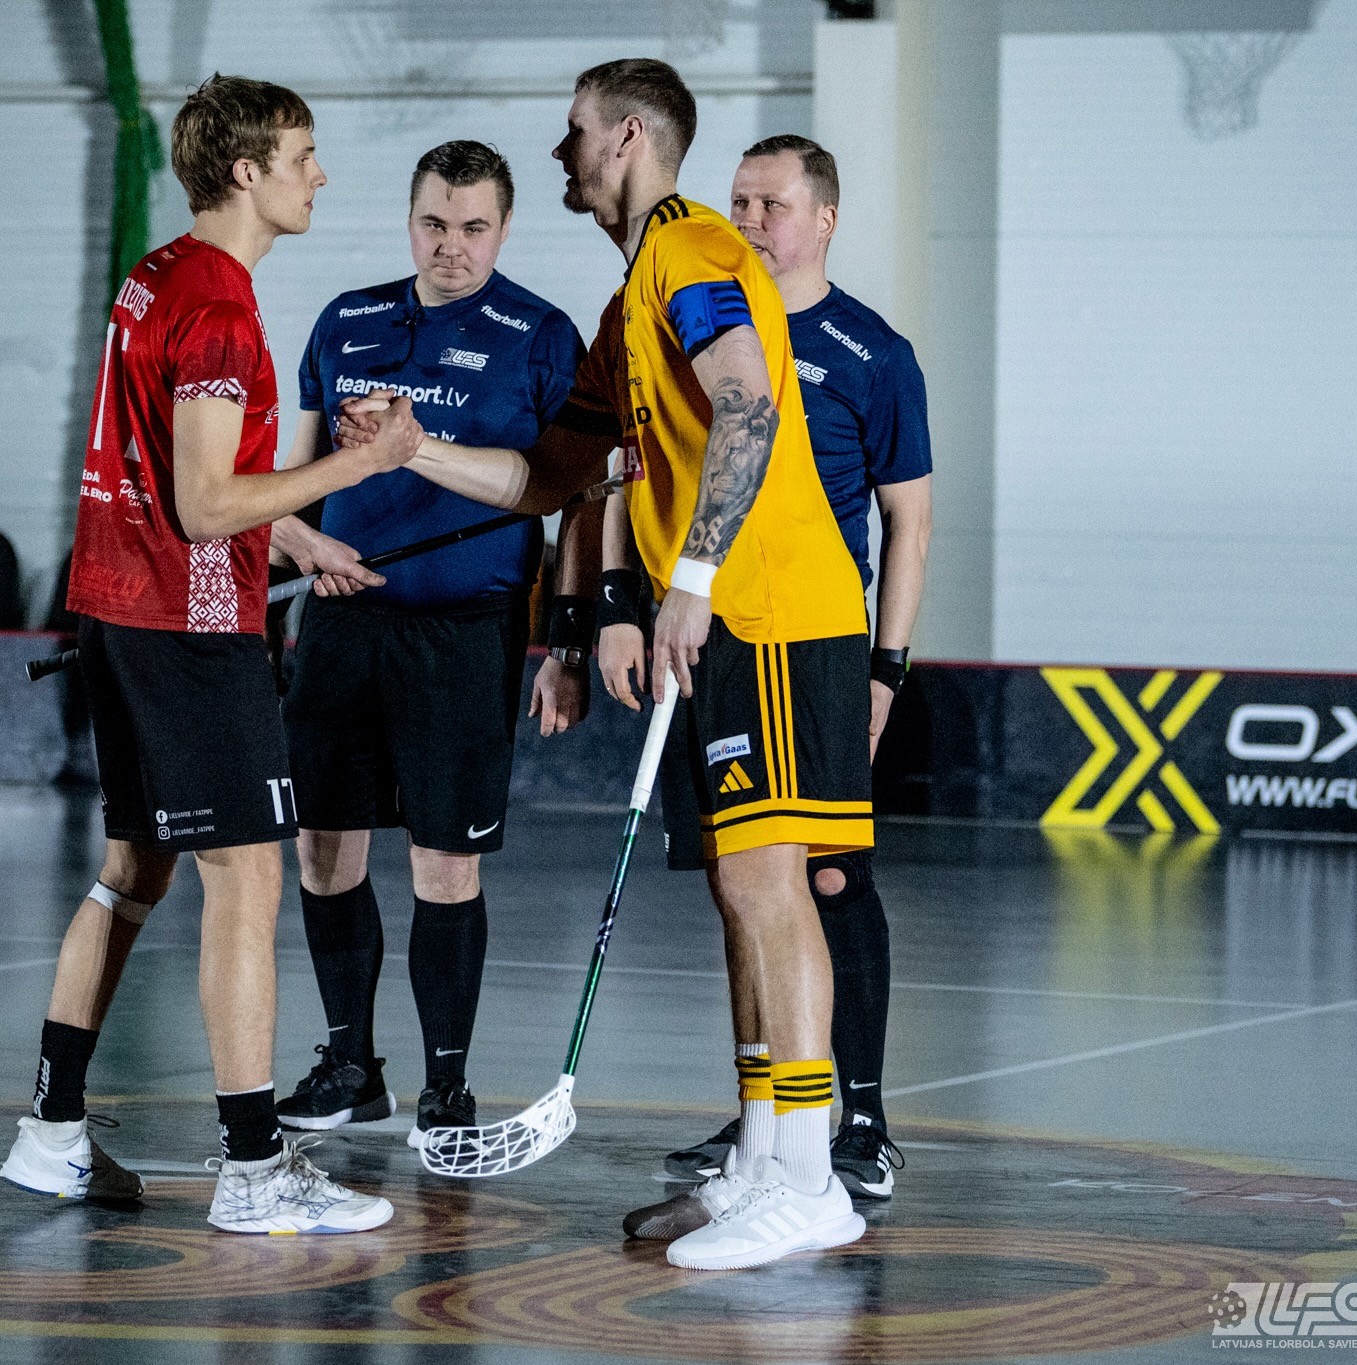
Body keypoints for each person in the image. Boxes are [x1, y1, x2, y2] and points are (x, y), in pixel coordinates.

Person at [344, 58, 871, 1271]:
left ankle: (809, 1181)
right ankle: (758, 1162)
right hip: (726, 616)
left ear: (627, 136)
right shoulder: (632, 300)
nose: (559, 150)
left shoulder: (689, 249)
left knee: (768, 887)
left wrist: (690, 578)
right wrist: (415, 452)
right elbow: (547, 478)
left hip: (771, 610)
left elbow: (748, 405)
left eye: (573, 129)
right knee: (739, 891)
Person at [0, 74, 424, 1234]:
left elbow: (170, 475)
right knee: (246, 880)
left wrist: (297, 536)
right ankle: (251, 1168)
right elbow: (198, 505)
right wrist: (362, 462)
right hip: (185, 631)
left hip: (118, 612)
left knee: (131, 872)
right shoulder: (222, 309)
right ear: (246, 170)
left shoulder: (156, 276)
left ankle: (51, 1131)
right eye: (302, 154)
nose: (318, 174)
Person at [265, 141, 586, 1147]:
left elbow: (568, 496)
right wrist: (299, 541)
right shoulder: (345, 321)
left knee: (445, 865)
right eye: (434, 224)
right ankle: (350, 1066)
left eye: (474, 227)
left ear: (505, 228)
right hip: (341, 621)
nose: (452, 245)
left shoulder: (541, 335)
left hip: (464, 631)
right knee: (323, 850)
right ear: (408, 221)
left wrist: (567, 641)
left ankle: (447, 1086)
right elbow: (290, 477)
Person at [651, 134, 932, 1206]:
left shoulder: (872, 352)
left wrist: (885, 667)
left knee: (825, 876)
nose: (749, 222)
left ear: (824, 219)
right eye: (737, 202)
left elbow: (909, 523)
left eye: (771, 204)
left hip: (813, 645)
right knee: (740, 881)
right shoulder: (701, 323)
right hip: (712, 638)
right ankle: (768, 1111)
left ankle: (859, 1122)